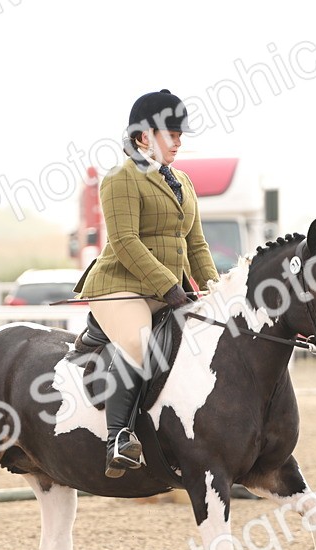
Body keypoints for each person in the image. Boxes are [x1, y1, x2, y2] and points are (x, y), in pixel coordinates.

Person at [75, 89, 220, 477]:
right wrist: (170, 287)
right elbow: (124, 242)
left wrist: (218, 291)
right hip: (120, 287)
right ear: (143, 138)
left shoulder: (184, 183)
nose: (178, 140)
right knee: (139, 343)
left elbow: (196, 244)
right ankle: (118, 438)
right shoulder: (120, 178)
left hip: (166, 291)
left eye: (179, 133)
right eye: (170, 133)